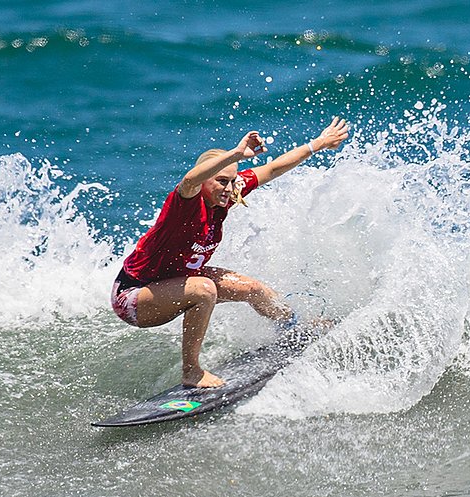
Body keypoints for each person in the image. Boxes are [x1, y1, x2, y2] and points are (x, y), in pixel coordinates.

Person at [112, 117, 349, 388]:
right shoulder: (185, 204)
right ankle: (192, 372)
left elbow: (271, 169)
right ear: (205, 182)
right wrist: (235, 153)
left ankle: (293, 328)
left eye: (232, 181)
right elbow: (189, 179)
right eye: (222, 181)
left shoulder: (227, 195)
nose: (229, 188)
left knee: (253, 289)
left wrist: (318, 144)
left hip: (175, 282)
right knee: (204, 290)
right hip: (133, 297)